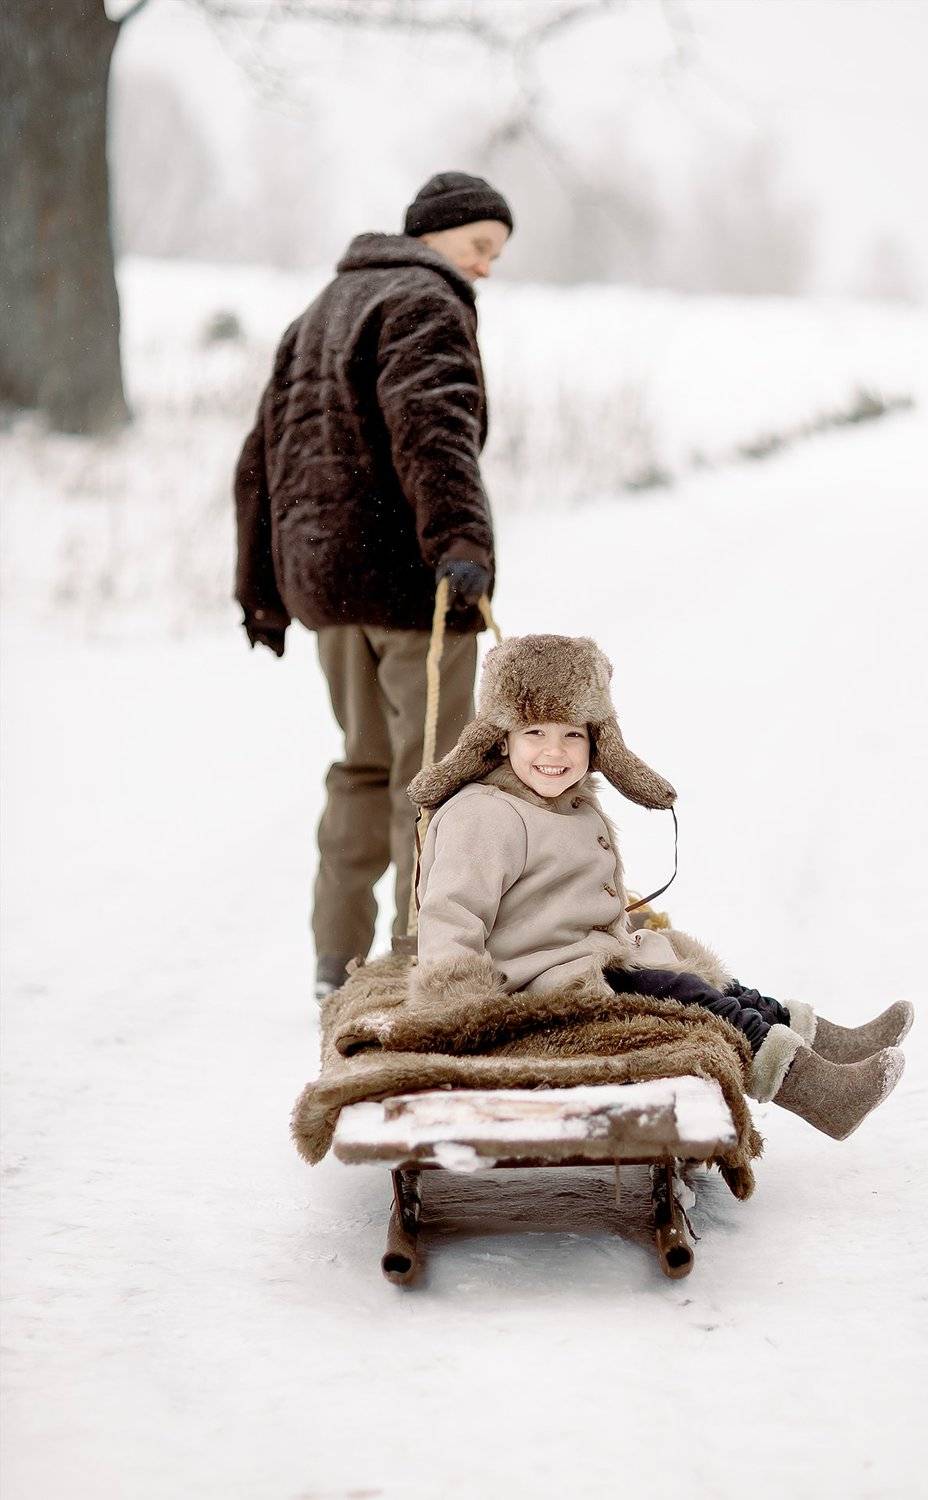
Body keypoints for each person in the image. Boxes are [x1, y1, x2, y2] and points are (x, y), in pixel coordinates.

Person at [406, 634, 912, 1139]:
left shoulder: (564, 802)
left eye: (573, 734)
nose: (554, 752)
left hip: (587, 959)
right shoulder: (483, 816)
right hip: (540, 987)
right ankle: (820, 1093)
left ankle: (827, 1044)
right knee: (690, 998)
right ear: (502, 739)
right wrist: (464, 1014)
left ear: (597, 741)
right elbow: (451, 914)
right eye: (534, 732)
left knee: (712, 981)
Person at [232, 172, 514, 1001]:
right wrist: (461, 540)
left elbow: (261, 458)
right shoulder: (425, 302)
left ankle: (339, 961)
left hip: (329, 592)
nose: (484, 267)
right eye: (480, 247)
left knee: (362, 765)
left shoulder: (321, 310)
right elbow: (434, 429)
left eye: (494, 255)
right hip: (411, 587)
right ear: (436, 233)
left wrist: (262, 587)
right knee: (437, 779)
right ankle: (422, 959)